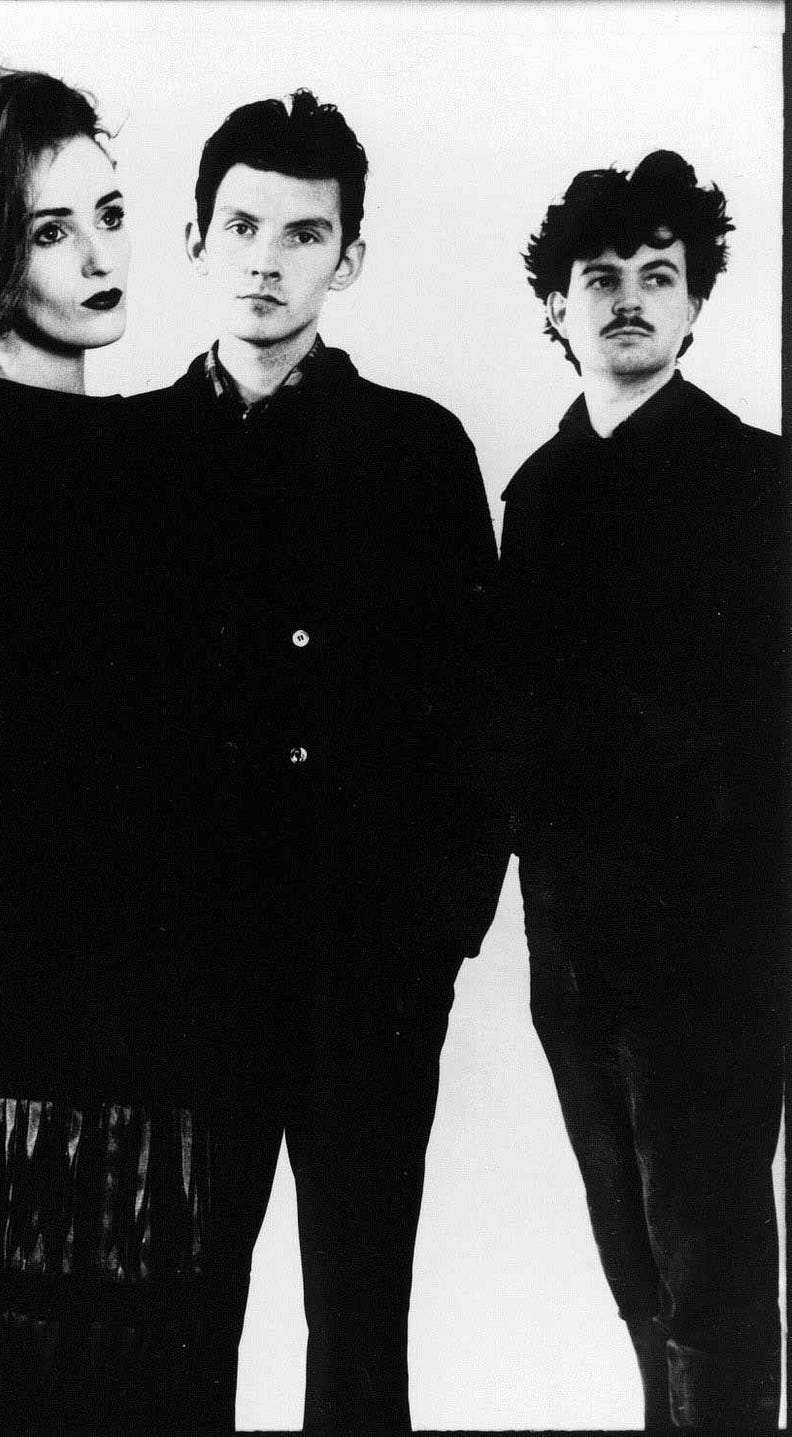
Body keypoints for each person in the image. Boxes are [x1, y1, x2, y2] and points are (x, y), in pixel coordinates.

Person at [0, 68, 237, 1429]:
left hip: (175, 925)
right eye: (49, 230)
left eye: (111, 215)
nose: (97, 255)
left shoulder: (184, 436)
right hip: (7, 917)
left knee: (153, 1324)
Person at [131, 92, 505, 1433]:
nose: (266, 260)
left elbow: (478, 710)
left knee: (358, 1325)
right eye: (241, 226)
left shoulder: (416, 446)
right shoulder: (128, 453)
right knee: (172, 1323)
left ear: (347, 257)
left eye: (303, 234)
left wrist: (434, 937)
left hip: (364, 965)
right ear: (194, 238)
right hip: (181, 966)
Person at [502, 151, 786, 1430]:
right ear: (554, 306)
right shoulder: (534, 490)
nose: (628, 297)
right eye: (600, 275)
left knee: (708, 1263)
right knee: (634, 1264)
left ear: (695, 302)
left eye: (658, 275)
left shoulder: (757, 479)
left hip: (709, 945)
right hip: (572, 947)